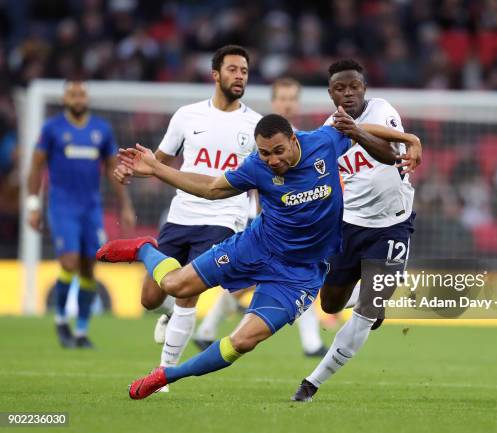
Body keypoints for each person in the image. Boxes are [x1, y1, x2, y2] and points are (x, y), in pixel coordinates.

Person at [97, 111, 398, 400]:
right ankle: (143, 249)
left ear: (294, 140)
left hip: (298, 275)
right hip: (254, 248)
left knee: (241, 342)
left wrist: (408, 139)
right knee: (174, 286)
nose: (273, 160)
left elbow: (364, 129)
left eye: (278, 151)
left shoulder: (324, 141)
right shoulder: (256, 166)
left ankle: (166, 376)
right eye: (265, 153)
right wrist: (158, 169)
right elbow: (213, 189)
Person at [114, 45, 261, 388]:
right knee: (150, 298)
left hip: (226, 216)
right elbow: (158, 162)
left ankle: (162, 375)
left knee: (186, 293)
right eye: (233, 70)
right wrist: (131, 172)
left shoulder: (254, 125)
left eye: (244, 71)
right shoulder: (186, 116)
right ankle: (165, 314)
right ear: (216, 75)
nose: (240, 76)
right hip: (181, 215)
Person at [292, 59, 422, 402]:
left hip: (392, 225)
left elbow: (389, 155)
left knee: (365, 312)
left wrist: (356, 131)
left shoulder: (381, 111)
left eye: (354, 87)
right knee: (331, 305)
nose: (348, 93)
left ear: (364, 89)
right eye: (340, 88)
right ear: (331, 92)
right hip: (348, 225)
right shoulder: (328, 128)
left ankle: (311, 383)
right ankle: (371, 300)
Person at [192, 76, 328, 357]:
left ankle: (208, 330)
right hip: (263, 222)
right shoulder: (263, 139)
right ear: (273, 101)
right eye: (283, 99)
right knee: (277, 279)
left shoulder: (299, 138)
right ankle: (310, 342)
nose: (288, 104)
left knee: (266, 281)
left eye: (293, 99)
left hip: (288, 225)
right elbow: (250, 178)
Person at [26, 80, 135, 348]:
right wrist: (33, 204)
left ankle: (82, 331)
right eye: (72, 94)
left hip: (91, 208)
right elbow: (36, 166)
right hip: (62, 205)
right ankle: (62, 321)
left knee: (89, 266)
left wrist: (126, 205)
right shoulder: (52, 129)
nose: (77, 98)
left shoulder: (101, 129)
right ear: (65, 98)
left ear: (86, 98)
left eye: (81, 94)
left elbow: (112, 169)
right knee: (69, 262)